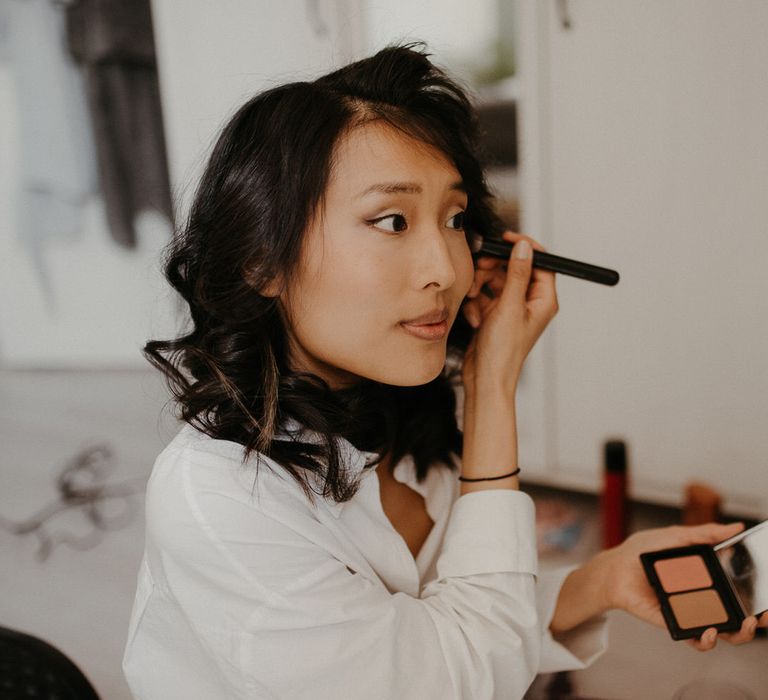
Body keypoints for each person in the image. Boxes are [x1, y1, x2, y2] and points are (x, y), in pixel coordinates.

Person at [122, 44, 766, 699]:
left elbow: (448, 617)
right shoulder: (217, 502)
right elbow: (450, 678)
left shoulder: (397, 405)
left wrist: (596, 583)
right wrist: (493, 391)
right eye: (392, 221)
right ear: (261, 261)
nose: (445, 269)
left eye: (456, 220)